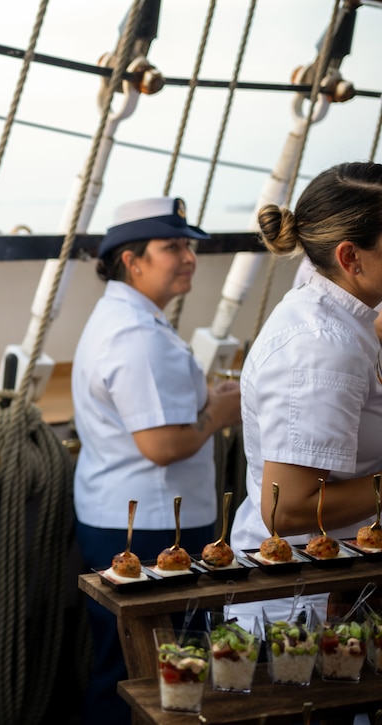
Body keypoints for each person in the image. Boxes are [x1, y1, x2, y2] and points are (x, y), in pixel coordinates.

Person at [71, 196, 242, 725]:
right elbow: (163, 445)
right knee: (153, 674)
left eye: (188, 245)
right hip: (149, 529)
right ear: (132, 259)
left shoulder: (128, 319)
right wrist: (219, 410)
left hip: (131, 517)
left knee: (134, 666)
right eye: (173, 246)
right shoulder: (136, 335)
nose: (188, 256)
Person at [228, 161, 382, 622]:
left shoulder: (347, 322)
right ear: (350, 257)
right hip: (300, 610)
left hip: (334, 585)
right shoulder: (321, 347)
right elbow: (288, 507)